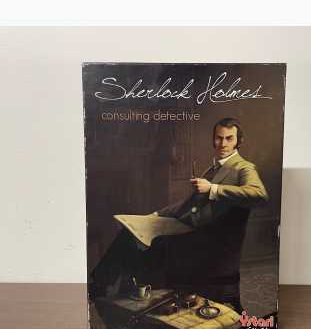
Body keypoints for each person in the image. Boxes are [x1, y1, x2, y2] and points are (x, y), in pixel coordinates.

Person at [89, 117, 268, 313]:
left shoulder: (244, 167)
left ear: (238, 141)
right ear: (213, 139)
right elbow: (188, 204)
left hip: (208, 242)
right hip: (187, 228)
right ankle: (103, 286)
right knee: (130, 233)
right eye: (219, 138)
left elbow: (259, 194)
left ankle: (108, 288)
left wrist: (213, 188)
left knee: (145, 244)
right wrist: (154, 215)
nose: (223, 143)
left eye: (229, 138)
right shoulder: (213, 168)